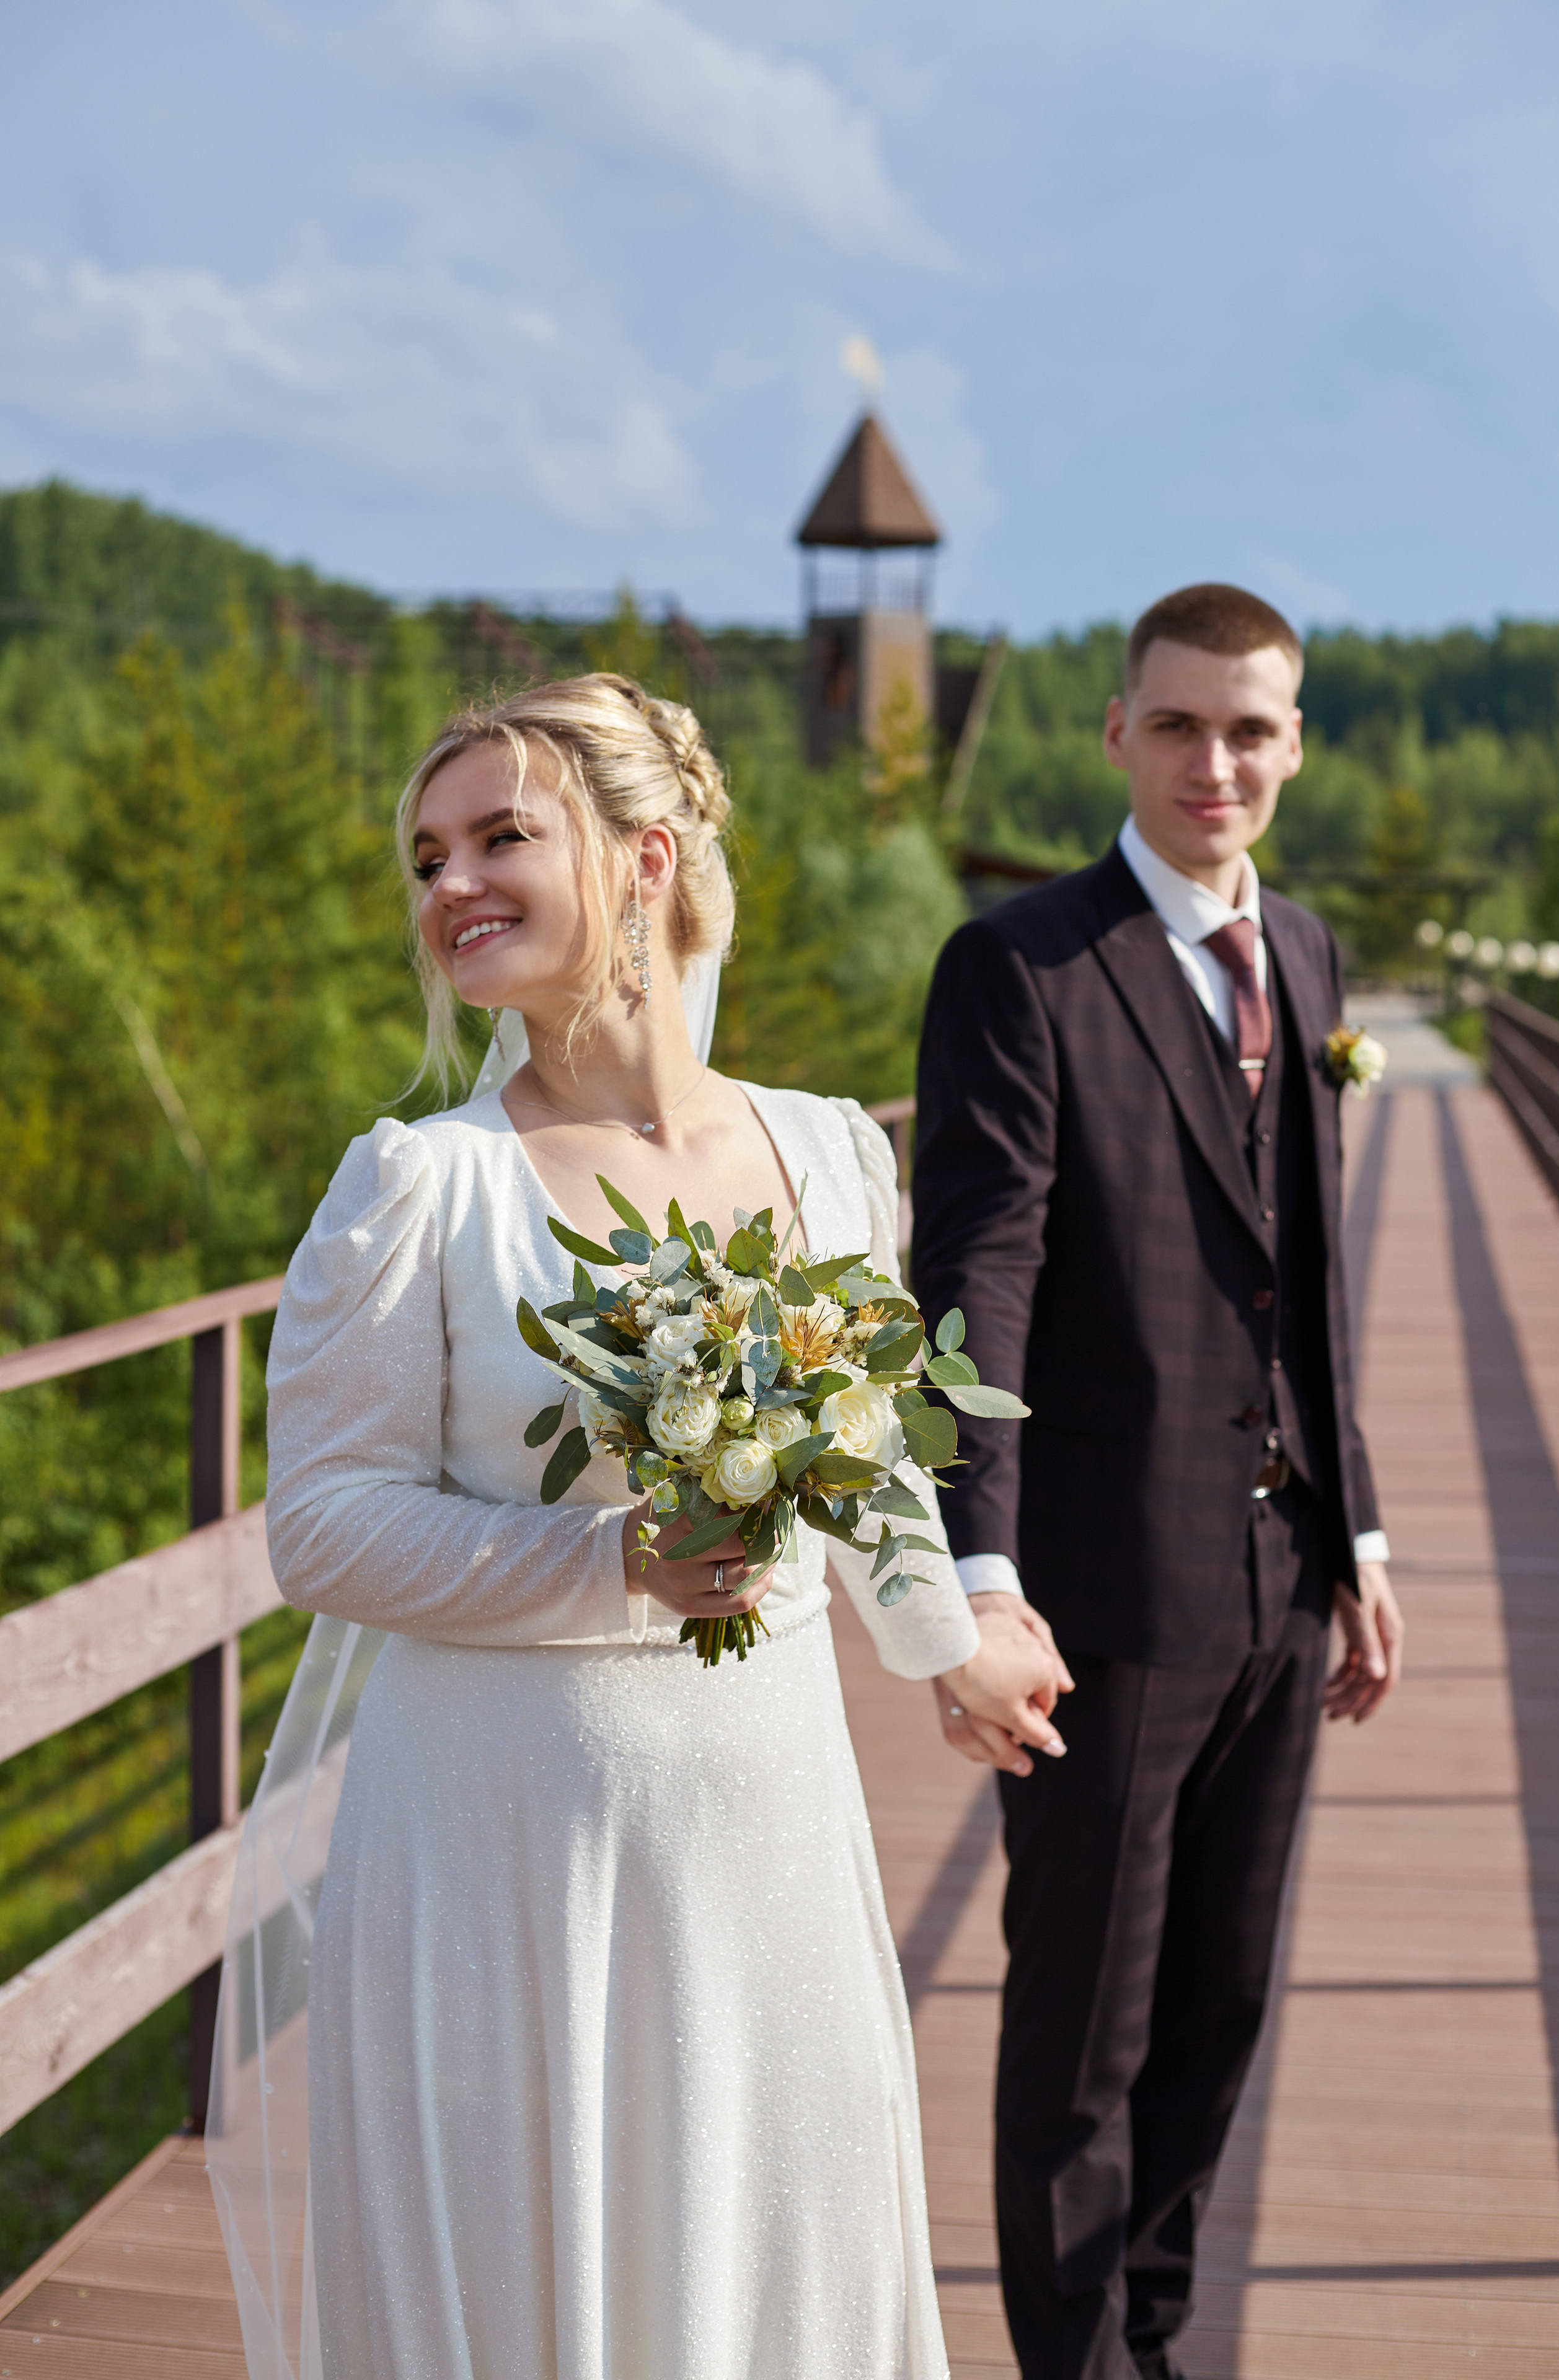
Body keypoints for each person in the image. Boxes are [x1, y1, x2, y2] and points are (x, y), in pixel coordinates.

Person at [213, 674, 1064, 2380]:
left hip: (762, 1826)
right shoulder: (420, 1185)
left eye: (500, 836)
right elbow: (317, 1528)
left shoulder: (828, 1155)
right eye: (428, 855)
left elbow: (868, 1454)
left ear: (648, 855)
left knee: (774, 2256)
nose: (451, 882)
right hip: (498, 1848)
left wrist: (946, 1643)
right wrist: (601, 1561)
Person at [909, 586, 1406, 2380]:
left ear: (1295, 744)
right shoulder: (1023, 966)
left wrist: (1353, 1527)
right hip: (1104, 1596)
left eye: (1252, 729)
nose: (1219, 763)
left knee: (1220, 2007)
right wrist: (979, 1570)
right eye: (1182, 725)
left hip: (1280, 1591)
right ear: (1117, 732)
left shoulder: (1314, 957)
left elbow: (1311, 1268)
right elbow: (977, 1280)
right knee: (1082, 2041)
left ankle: (1160, 2339)